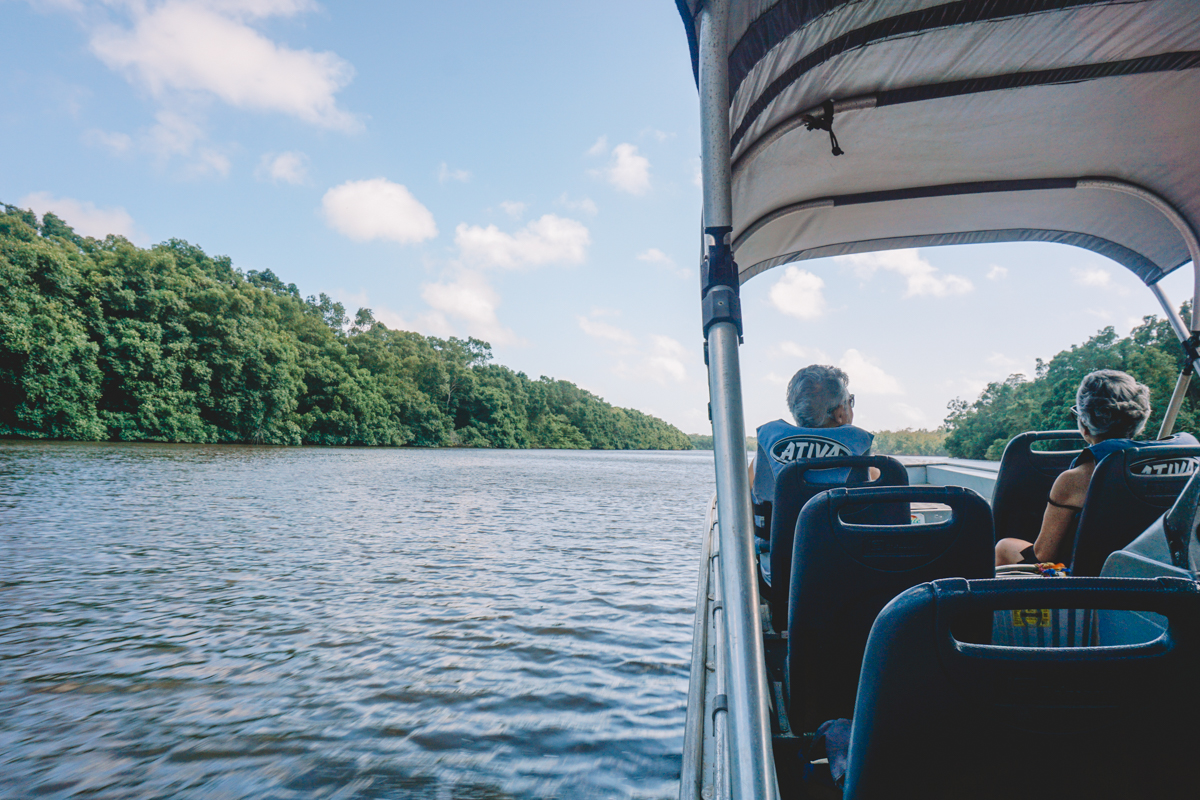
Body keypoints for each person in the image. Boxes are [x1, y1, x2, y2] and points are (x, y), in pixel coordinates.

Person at [995, 369, 1197, 567]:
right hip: (1158, 569)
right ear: (1139, 421)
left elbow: (1044, 554)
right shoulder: (1187, 458)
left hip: (1093, 581)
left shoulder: (1075, 478)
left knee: (1004, 546)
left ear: (1084, 423)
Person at [750, 365, 877, 587]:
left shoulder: (766, 456)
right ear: (840, 413)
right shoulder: (864, 460)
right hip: (849, 576)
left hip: (779, 578)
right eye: (850, 401)